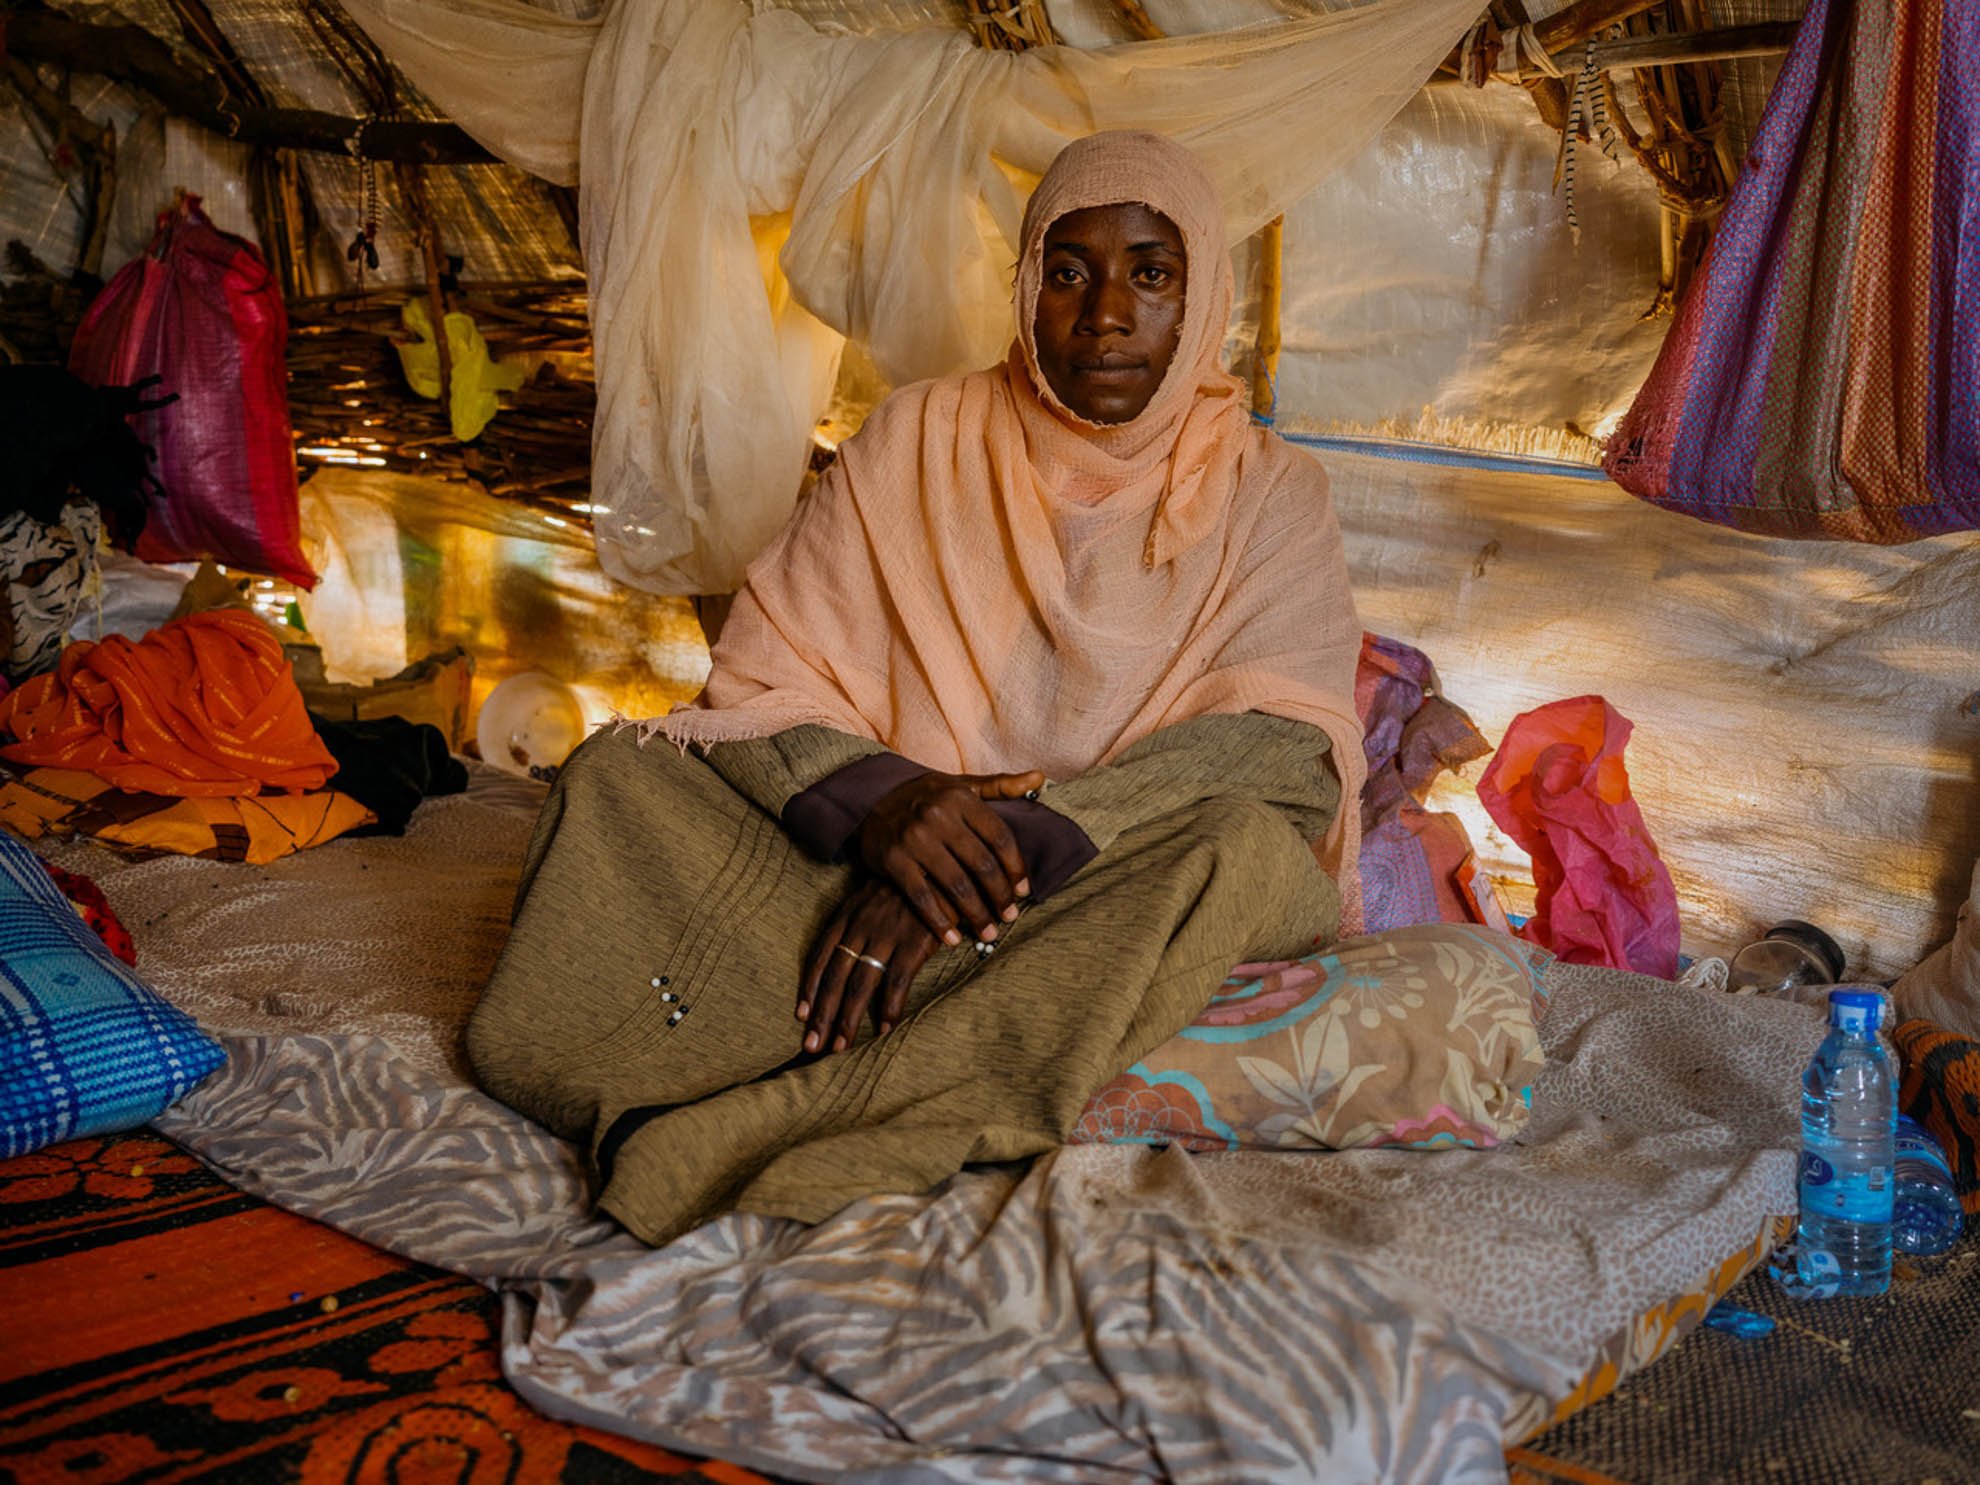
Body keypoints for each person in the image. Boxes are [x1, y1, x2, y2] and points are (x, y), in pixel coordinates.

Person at [468, 130, 1366, 1246]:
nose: (1105, 315)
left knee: (1239, 853)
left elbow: (1283, 750)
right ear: (1028, 285)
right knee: (622, 771)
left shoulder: (1269, 490)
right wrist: (886, 805)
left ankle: (803, 1110)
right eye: (1070, 271)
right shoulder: (920, 437)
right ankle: (951, 1005)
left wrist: (1016, 846)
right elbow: (764, 681)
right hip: (899, 835)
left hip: (1111, 862)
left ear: (1201, 299)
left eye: (1151, 272)